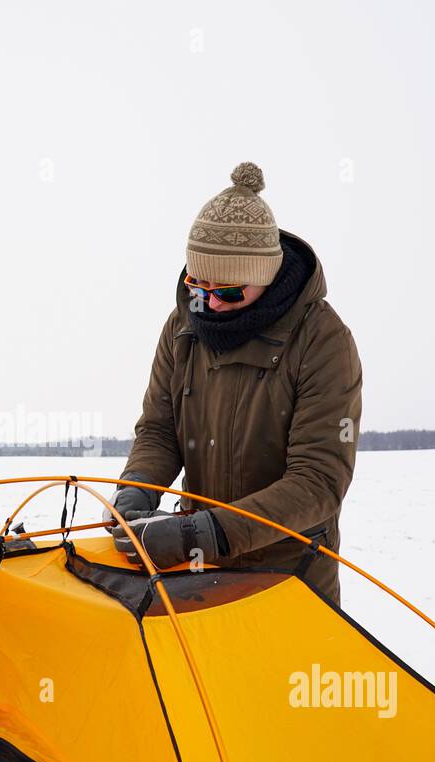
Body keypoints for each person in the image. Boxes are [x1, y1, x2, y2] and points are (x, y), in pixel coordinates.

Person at [110, 162, 362, 605]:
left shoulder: (323, 341)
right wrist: (137, 487)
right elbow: (159, 430)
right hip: (197, 572)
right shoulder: (181, 327)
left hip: (289, 576)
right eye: (198, 284)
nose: (209, 302)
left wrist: (209, 532)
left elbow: (318, 479)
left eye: (227, 291)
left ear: (265, 277)